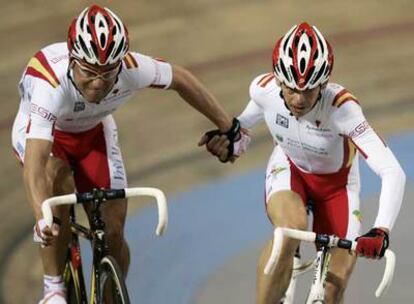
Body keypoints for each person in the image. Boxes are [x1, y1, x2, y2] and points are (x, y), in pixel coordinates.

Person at [11, 5, 244, 304]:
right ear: (73, 59)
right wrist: (42, 216)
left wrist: (229, 127)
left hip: (94, 134)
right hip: (44, 138)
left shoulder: (132, 68)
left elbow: (181, 79)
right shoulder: (50, 84)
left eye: (107, 75)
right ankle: (53, 287)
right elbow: (34, 166)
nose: (98, 83)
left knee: (114, 230)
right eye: (89, 72)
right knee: (58, 190)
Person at [199, 22, 406, 304]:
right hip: (290, 171)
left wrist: (381, 229)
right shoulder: (263, 91)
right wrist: (229, 146)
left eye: (308, 91)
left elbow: (392, 171)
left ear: (323, 83)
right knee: (288, 230)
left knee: (335, 285)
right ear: (278, 79)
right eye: (290, 89)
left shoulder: (343, 110)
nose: (298, 99)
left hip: (337, 188)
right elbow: (241, 133)